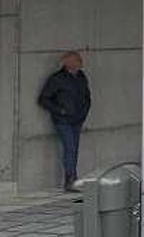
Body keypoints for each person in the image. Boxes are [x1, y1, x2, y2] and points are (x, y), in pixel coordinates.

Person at [37, 51, 91, 192]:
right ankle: (70, 180)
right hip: (63, 120)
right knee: (70, 148)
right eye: (78, 61)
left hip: (77, 119)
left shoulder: (81, 77)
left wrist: (84, 112)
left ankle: (73, 177)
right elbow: (43, 99)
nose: (80, 64)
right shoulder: (57, 79)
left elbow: (86, 96)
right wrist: (60, 111)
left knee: (74, 149)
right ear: (69, 64)